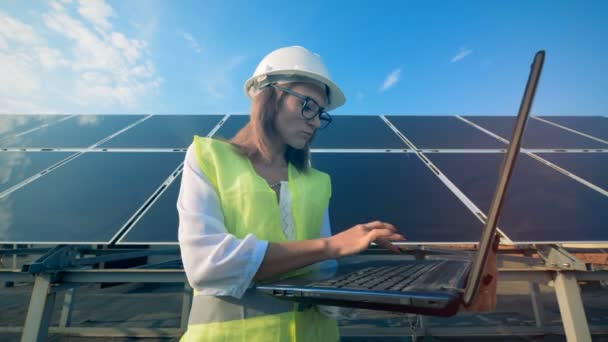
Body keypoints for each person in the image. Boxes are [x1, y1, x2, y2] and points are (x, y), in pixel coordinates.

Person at [177, 46, 497, 341]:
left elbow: (321, 278)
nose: (315, 122)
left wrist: (414, 292)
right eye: (307, 106)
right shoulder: (208, 157)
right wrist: (332, 245)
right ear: (266, 96)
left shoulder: (315, 181)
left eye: (321, 114)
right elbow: (206, 265)